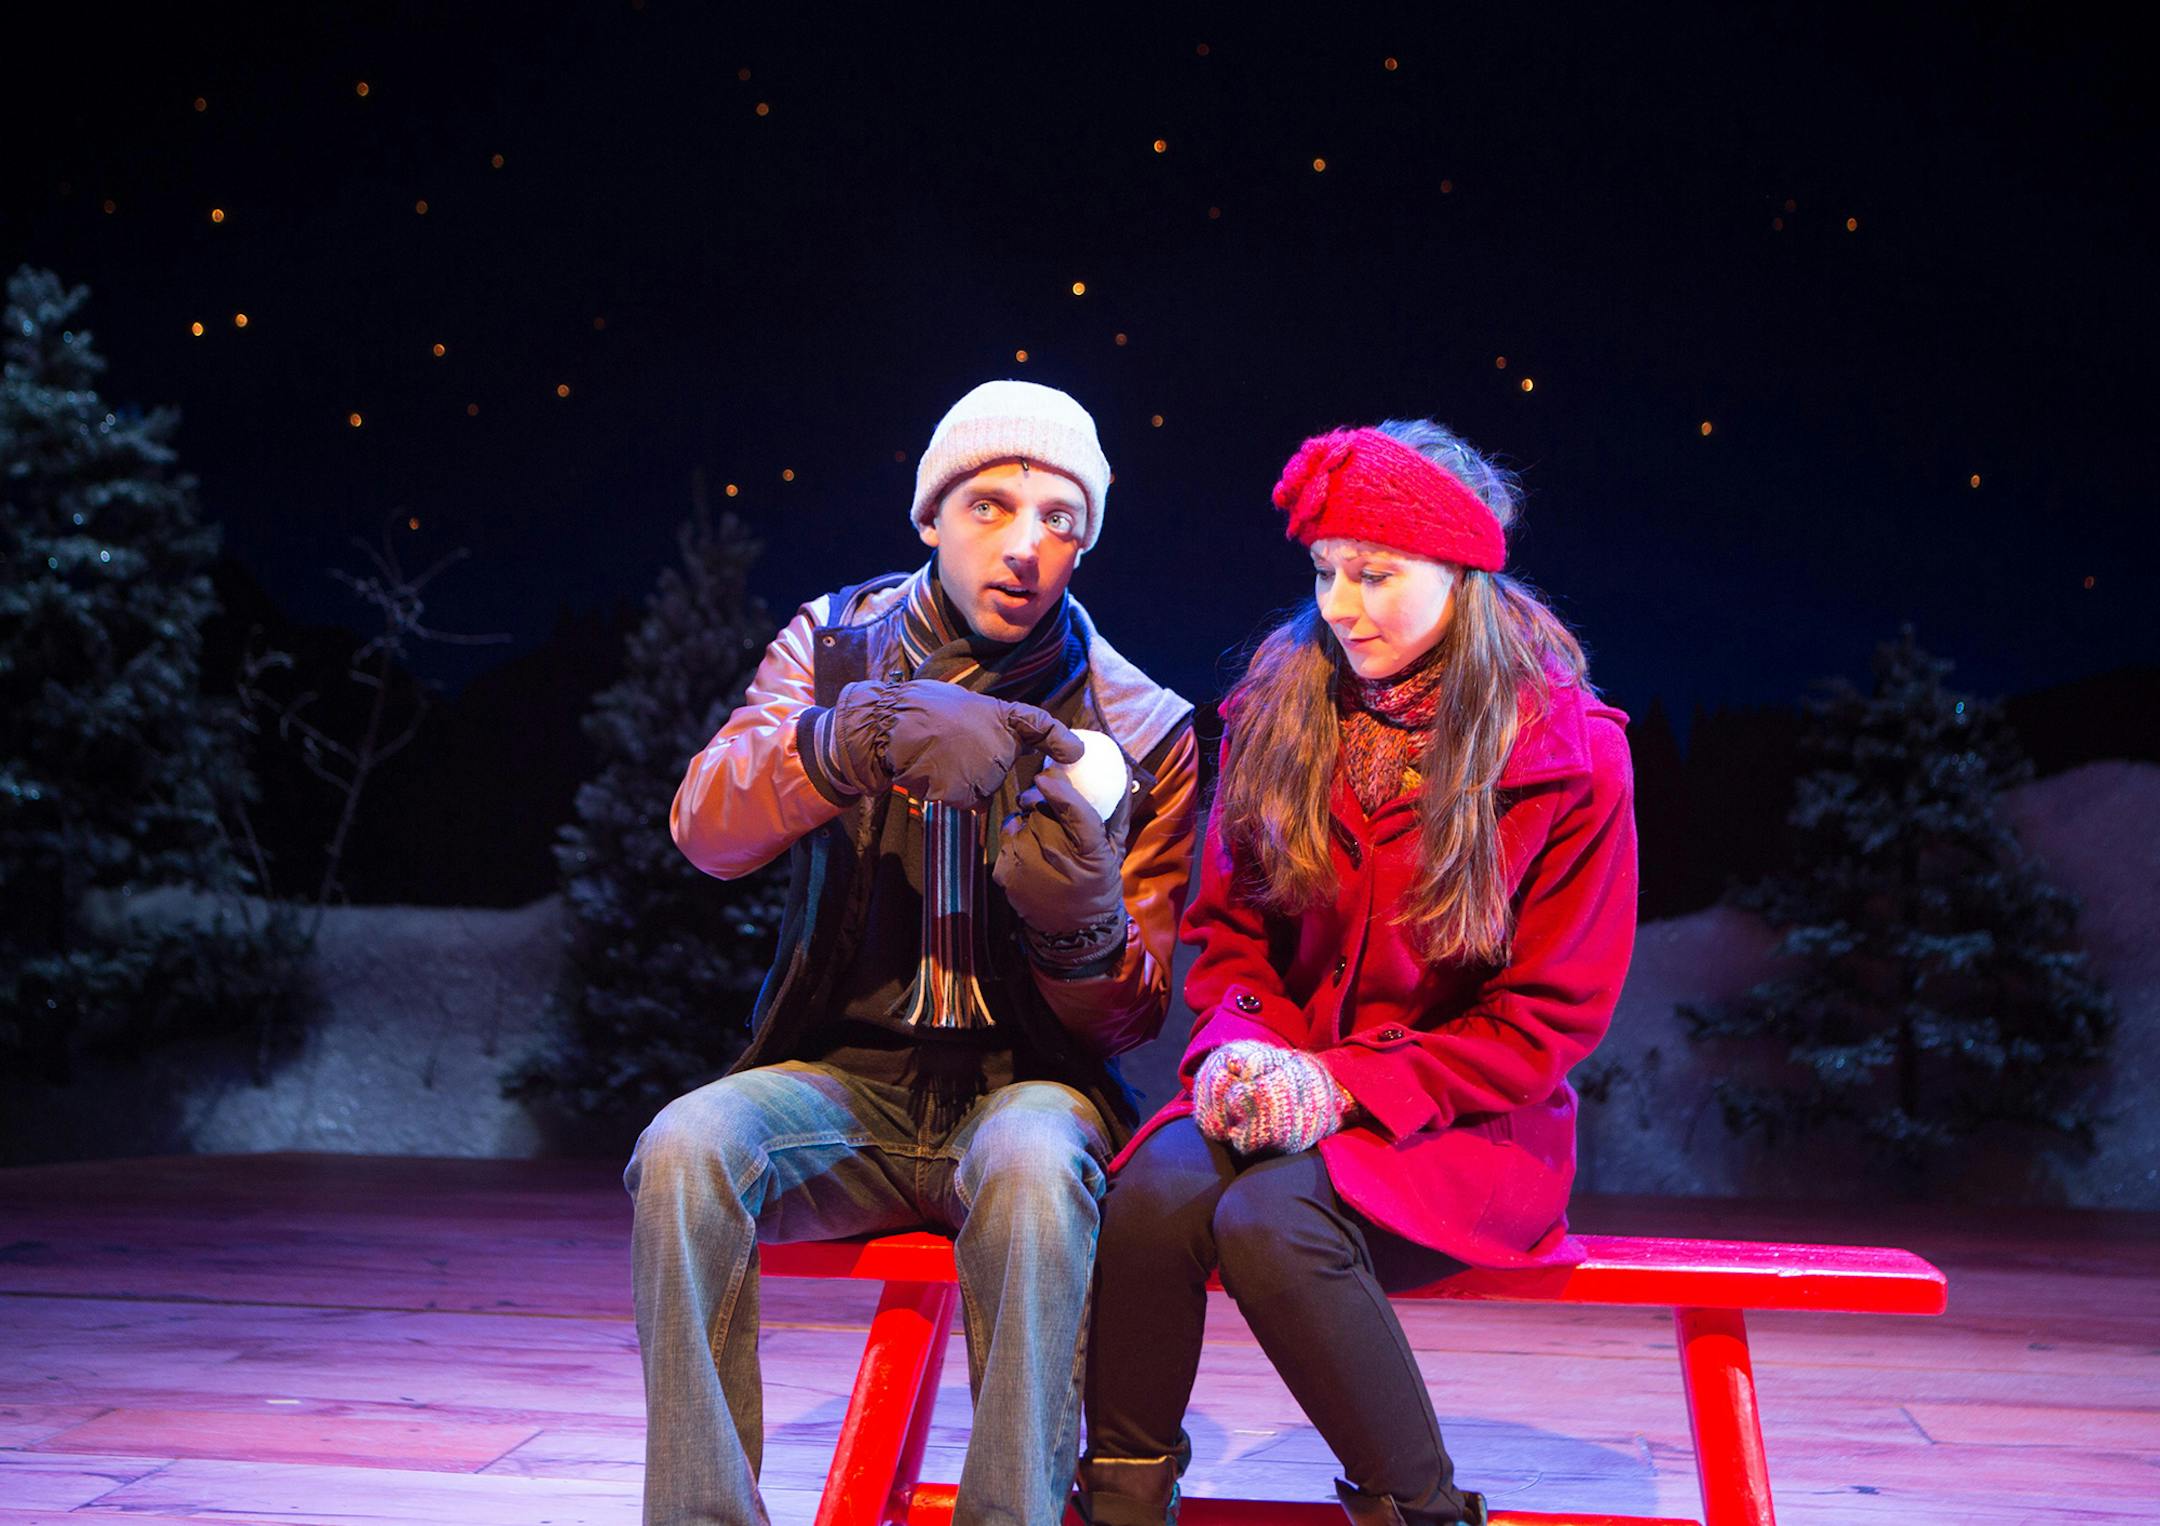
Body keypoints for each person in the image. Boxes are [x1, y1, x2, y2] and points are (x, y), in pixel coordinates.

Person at [623, 379, 1198, 1526]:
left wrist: (1082, 924)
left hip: (1022, 1090)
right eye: (991, 505)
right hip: (846, 1085)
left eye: (1059, 520)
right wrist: (850, 739)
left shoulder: (1139, 726)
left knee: (1038, 1163)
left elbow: (1131, 1013)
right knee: (686, 1146)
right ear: (931, 515)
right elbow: (705, 827)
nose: (1026, 545)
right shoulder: (832, 649)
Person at [1078, 420, 1637, 1526]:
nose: (1342, 602)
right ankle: (1122, 1500)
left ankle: (1419, 1509)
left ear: (1459, 569)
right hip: (1287, 1081)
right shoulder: (1279, 713)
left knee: (1271, 1222)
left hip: (1464, 1123)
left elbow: (1544, 1020)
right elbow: (1231, 937)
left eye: (1376, 574)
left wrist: (1341, 1086)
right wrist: (1243, 1042)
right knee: (1150, 1192)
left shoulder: (1567, 752)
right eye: (1327, 570)